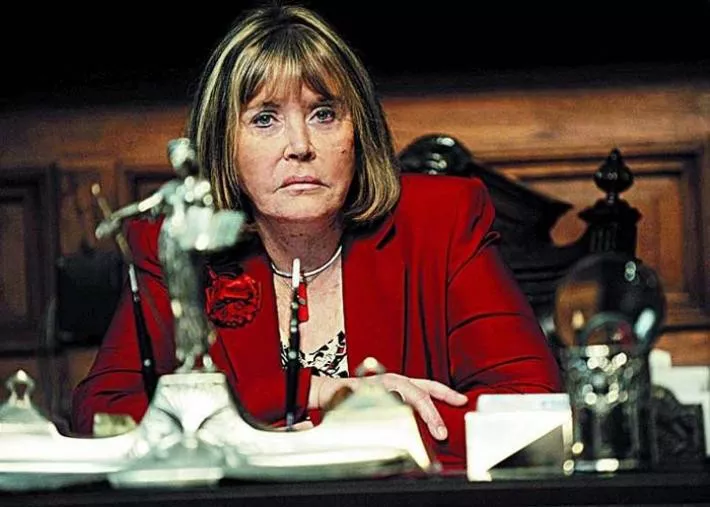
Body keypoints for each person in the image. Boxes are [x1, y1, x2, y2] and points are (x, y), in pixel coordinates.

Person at [71, 3, 562, 471]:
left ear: (358, 132)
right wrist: (318, 393)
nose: (300, 146)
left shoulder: (441, 221)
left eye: (323, 113)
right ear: (224, 145)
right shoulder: (179, 243)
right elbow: (102, 416)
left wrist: (325, 434)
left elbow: (532, 412)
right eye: (265, 119)